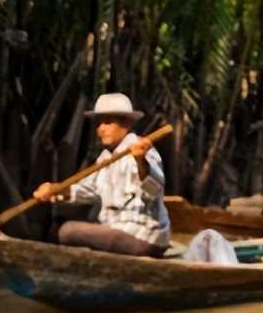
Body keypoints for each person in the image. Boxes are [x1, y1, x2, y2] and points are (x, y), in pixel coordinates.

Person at [34, 93, 170, 257]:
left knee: (67, 231)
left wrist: (140, 160)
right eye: (98, 124)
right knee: (58, 226)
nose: (101, 129)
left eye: (108, 122)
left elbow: (153, 189)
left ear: (127, 123)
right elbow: (88, 189)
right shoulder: (106, 158)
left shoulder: (141, 150)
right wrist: (56, 189)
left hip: (143, 235)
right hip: (115, 229)